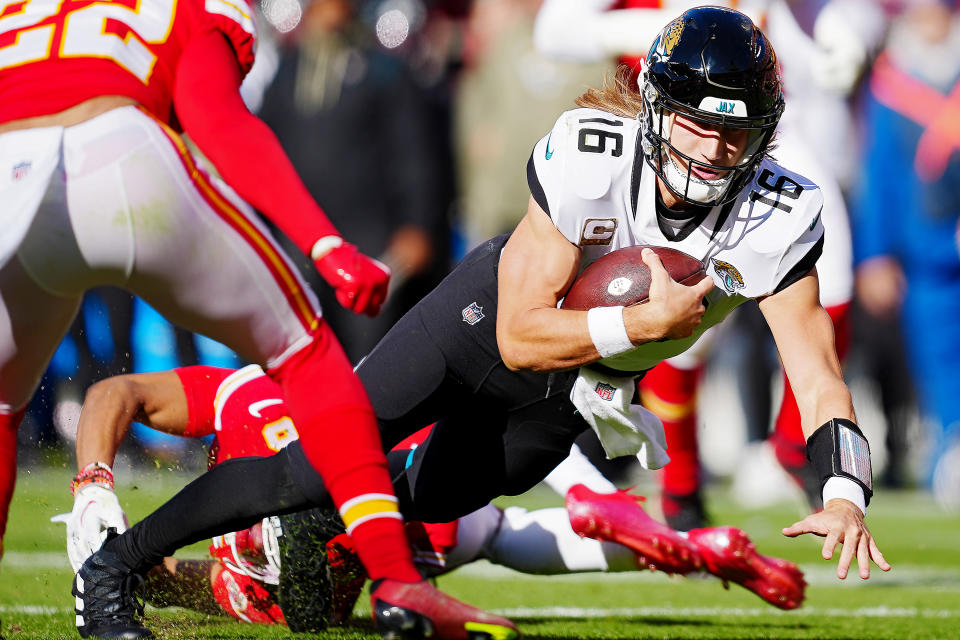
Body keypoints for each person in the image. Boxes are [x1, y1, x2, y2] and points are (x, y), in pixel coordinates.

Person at [71, 8, 890, 638]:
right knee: (313, 468)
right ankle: (115, 567)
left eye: (735, 129)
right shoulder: (593, 155)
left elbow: (815, 371)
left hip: (570, 393)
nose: (713, 148)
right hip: (481, 322)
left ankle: (331, 533)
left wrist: (846, 491)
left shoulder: (780, 211)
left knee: (438, 499)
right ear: (655, 107)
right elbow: (518, 334)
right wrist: (635, 325)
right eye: (697, 122)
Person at [0, 0, 516, 637]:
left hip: (9, 176)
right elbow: (219, 122)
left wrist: (93, 480)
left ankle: (105, 570)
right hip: (120, 151)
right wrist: (322, 243)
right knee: (309, 355)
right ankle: (395, 581)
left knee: (2, 408)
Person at [57, 363, 806, 630]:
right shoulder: (252, 394)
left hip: (362, 513)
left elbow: (112, 394)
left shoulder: (240, 398)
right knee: (486, 517)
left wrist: (97, 495)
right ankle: (649, 527)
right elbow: (115, 394)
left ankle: (618, 510)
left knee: (473, 513)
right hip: (401, 499)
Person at [531, 0, 881, 528]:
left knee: (832, 273)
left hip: (744, 132)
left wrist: (835, 30)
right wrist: (667, 35)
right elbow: (554, 33)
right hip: (670, 129)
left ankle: (797, 446)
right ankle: (680, 481)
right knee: (674, 294)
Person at [852, 0, 960, 510]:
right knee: (937, 364)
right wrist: (874, 254)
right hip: (927, 254)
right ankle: (950, 455)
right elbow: (881, 175)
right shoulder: (892, 77)